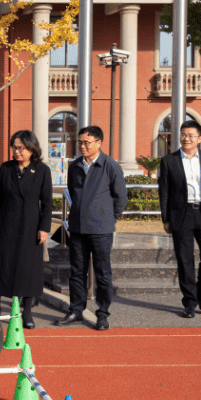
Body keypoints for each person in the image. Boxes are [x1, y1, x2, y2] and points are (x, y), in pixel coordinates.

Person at [55, 126, 127, 331]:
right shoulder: (75, 166)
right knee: (77, 271)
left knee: (102, 272)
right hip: (78, 228)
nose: (82, 146)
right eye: (80, 142)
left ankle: (102, 314)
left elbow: (121, 197)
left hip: (101, 229)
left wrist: (108, 218)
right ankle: (76, 309)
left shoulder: (110, 166)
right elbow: (73, 193)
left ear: (98, 143)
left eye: (86, 142)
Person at [0, 130, 52, 329]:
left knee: (29, 267)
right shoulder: (6, 168)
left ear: (32, 149)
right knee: (3, 264)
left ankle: (27, 311)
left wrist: (44, 228)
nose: (16, 152)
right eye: (14, 148)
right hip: (7, 223)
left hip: (31, 225)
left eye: (21, 148)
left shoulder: (42, 170)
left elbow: (47, 202)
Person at [158, 120, 201, 318]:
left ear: (199, 139)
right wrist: (166, 219)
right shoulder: (169, 160)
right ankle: (190, 302)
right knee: (185, 261)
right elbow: (164, 192)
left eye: (191, 135)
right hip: (181, 214)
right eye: (184, 135)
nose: (187, 138)